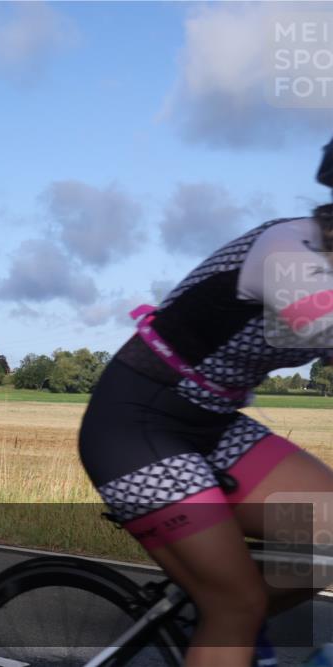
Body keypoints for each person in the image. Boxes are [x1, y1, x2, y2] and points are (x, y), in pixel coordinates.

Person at [79, 139, 333, 667]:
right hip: (135, 426)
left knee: (323, 548)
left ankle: (215, 626)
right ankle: (226, 616)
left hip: (212, 425)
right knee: (236, 604)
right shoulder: (290, 249)